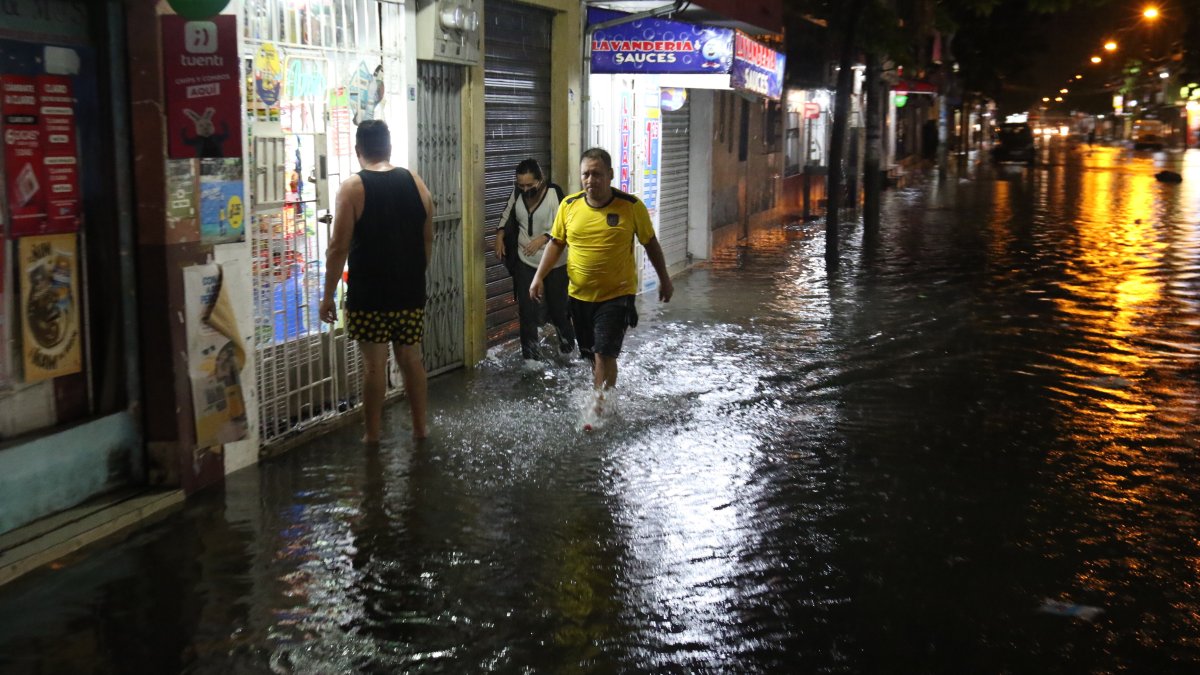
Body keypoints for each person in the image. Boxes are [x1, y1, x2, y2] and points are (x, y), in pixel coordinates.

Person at [528, 147, 673, 413]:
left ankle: (597, 407)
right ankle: (608, 395)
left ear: (610, 175)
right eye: (586, 174)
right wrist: (538, 277)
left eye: (597, 174)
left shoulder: (631, 207)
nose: (590, 180)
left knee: (603, 352)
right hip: (580, 296)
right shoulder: (569, 206)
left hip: (617, 295)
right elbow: (556, 244)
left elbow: (650, 243)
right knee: (593, 355)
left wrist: (664, 278)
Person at [319, 120, 434, 443]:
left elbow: (338, 247)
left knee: (374, 366)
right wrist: (415, 274)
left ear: (359, 152)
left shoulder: (352, 188)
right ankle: (420, 428)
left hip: (369, 296)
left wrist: (328, 295)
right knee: (411, 359)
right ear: (389, 148)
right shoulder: (416, 182)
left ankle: (372, 435)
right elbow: (428, 237)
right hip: (410, 292)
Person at [493, 158, 574, 364]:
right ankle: (531, 360)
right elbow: (506, 215)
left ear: (541, 180)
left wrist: (544, 237)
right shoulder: (517, 194)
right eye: (521, 185)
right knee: (527, 312)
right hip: (526, 262)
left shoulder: (554, 194)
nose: (525, 189)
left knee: (559, 310)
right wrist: (500, 235)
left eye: (530, 185)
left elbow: (565, 224)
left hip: (555, 263)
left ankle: (567, 350)